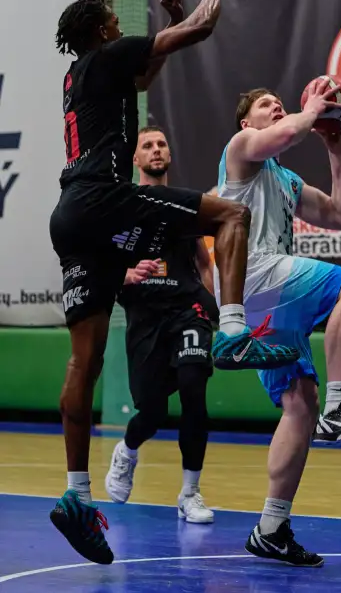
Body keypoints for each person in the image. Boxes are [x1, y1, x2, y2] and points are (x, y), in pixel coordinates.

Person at [49, 0, 299, 566]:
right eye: (114, 21)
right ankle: (233, 330)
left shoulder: (80, 74)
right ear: (103, 31)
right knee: (231, 216)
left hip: (70, 217)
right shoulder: (108, 53)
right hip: (106, 200)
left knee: (83, 361)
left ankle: (76, 493)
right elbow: (200, 32)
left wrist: (169, 19)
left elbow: (143, 74)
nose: (119, 26)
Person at [215, 81, 341, 567]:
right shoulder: (241, 148)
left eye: (280, 102)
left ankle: (271, 528)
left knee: (298, 404)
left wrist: (336, 151)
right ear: (246, 121)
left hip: (269, 296)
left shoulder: (286, 180)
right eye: (265, 104)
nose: (277, 105)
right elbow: (286, 135)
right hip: (254, 274)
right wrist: (311, 111)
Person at [105, 126, 217, 524]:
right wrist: (126, 274)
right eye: (148, 146)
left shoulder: (186, 206)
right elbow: (98, 267)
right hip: (145, 317)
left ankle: (190, 492)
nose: (156, 150)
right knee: (152, 413)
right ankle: (127, 451)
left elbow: (204, 263)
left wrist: (215, 310)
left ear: (169, 154)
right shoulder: (120, 208)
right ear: (135, 159)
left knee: (194, 390)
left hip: (188, 310)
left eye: (162, 144)